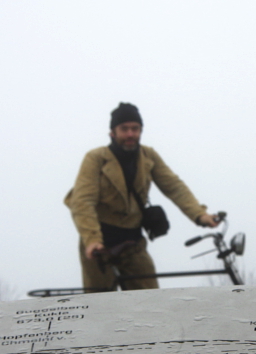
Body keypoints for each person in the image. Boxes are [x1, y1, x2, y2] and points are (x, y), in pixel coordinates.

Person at [64, 103, 219, 291]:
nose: (130, 134)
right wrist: (91, 240)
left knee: (149, 301)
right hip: (100, 241)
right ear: (112, 132)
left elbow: (174, 186)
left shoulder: (148, 155)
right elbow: (82, 201)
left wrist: (200, 215)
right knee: (98, 305)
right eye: (124, 129)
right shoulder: (96, 158)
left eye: (135, 129)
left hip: (132, 240)